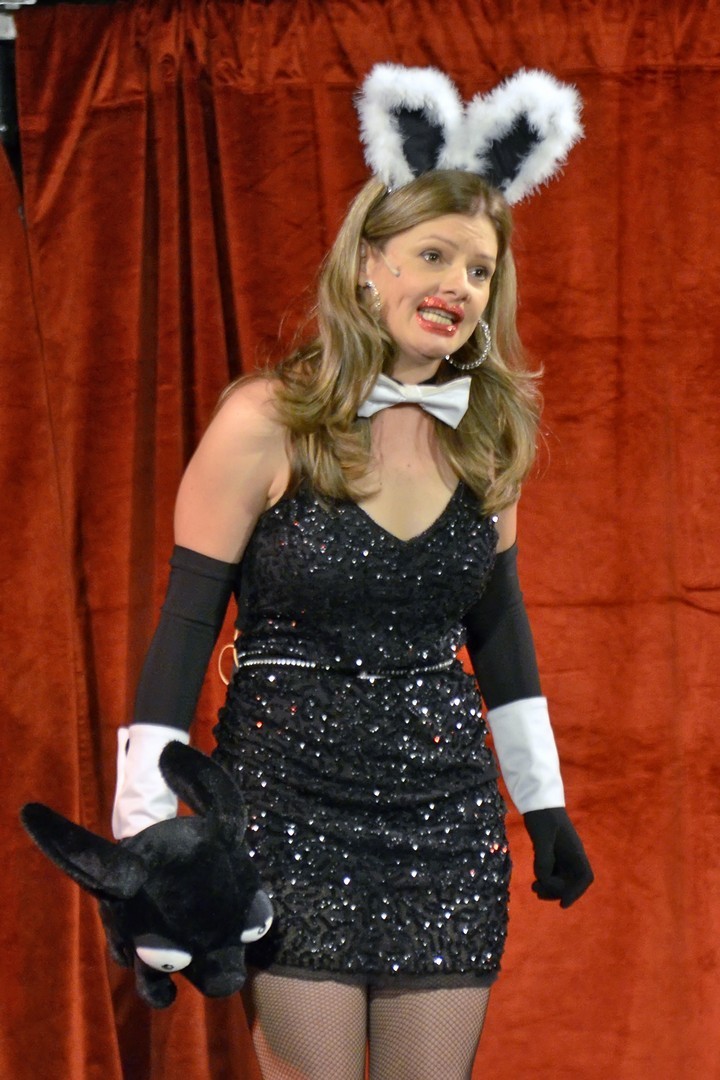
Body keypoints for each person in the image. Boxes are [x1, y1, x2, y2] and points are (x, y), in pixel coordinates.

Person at [111, 66, 593, 1080]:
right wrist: (144, 836)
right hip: (288, 811)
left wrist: (543, 806)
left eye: (479, 270)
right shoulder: (264, 420)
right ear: (369, 264)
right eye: (434, 255)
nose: (457, 286)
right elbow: (186, 628)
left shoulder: (488, 437)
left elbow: (501, 630)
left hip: (445, 822)